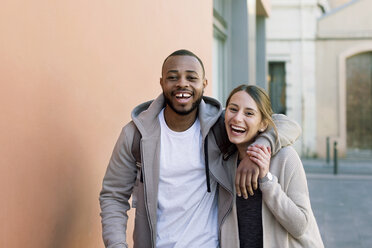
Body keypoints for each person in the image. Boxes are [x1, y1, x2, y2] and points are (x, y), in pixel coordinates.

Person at [99, 49, 301, 248]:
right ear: (162, 82)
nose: (182, 84)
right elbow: (113, 196)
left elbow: (287, 125)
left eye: (191, 77)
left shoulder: (219, 126)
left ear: (204, 84)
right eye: (173, 77)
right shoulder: (136, 135)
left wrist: (259, 146)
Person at [224, 84, 324, 248]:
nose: (237, 118)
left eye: (249, 113)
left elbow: (300, 226)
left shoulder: (285, 157)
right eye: (233, 109)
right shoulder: (224, 159)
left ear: (263, 124)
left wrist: (267, 180)